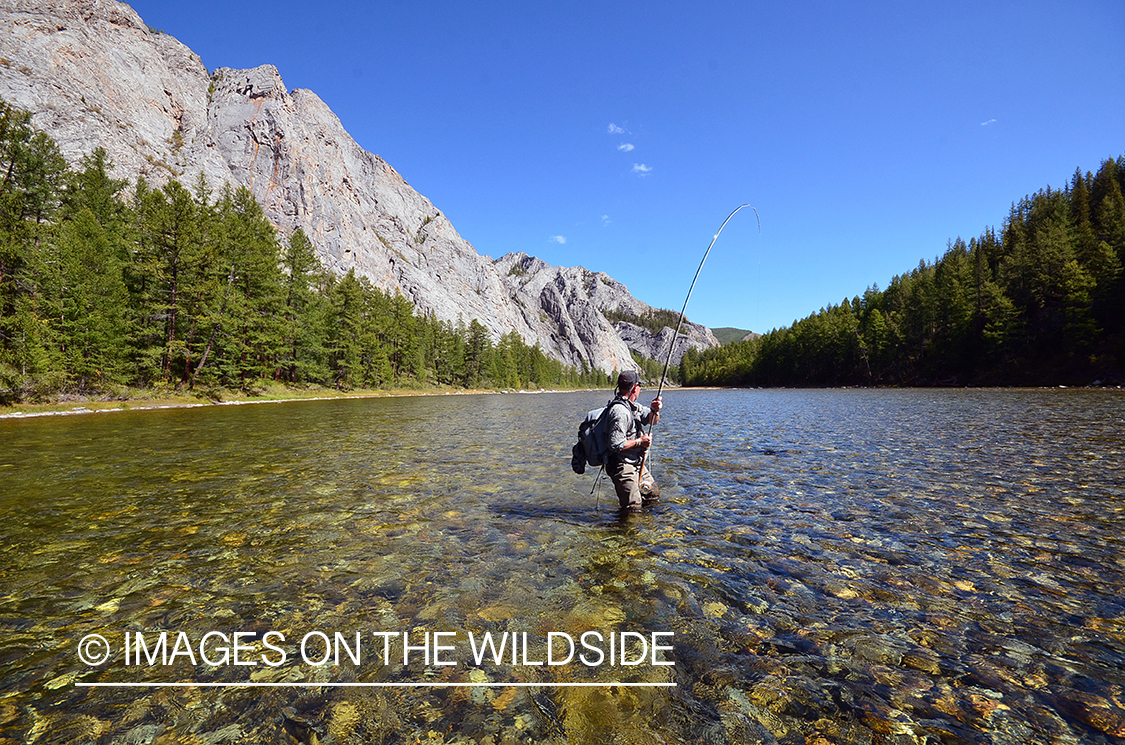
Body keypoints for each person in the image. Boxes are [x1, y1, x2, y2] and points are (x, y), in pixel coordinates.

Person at [605, 369, 663, 510]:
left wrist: (655, 410)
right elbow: (615, 444)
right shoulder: (619, 412)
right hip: (622, 465)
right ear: (635, 387)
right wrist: (639, 442)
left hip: (637, 463)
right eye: (639, 386)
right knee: (633, 508)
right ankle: (626, 530)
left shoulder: (633, 407)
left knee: (653, 496)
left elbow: (652, 420)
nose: (640, 389)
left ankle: (648, 529)